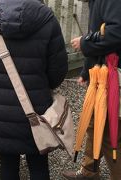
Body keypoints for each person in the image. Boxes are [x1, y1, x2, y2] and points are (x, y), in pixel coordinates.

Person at [0, 0, 68, 179]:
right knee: (38, 163)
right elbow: (58, 71)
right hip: (36, 109)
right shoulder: (47, 19)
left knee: (7, 164)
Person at [62, 0, 121, 179]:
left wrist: (85, 42)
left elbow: (116, 33)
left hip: (113, 78)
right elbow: (97, 33)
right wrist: (86, 72)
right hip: (101, 76)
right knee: (92, 124)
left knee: (110, 135)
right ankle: (89, 171)